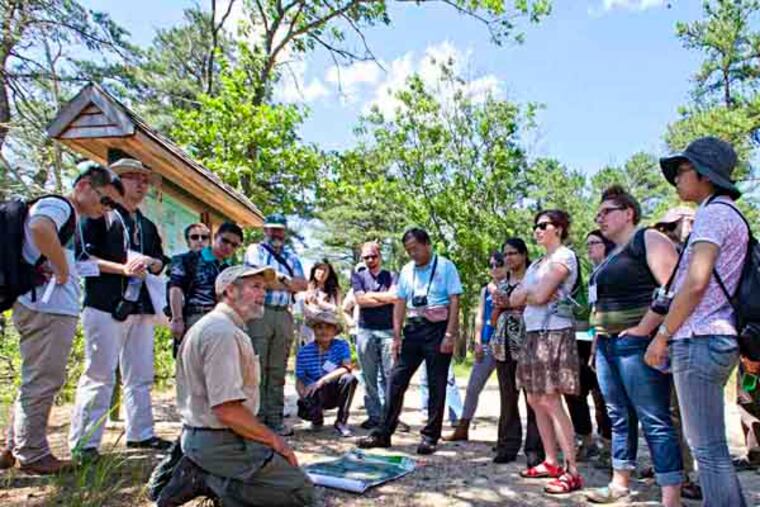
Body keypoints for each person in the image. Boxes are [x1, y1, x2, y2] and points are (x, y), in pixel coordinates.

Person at [0, 163, 123, 475]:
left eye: (111, 204)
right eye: (104, 199)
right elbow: (40, 227)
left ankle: (14, 446)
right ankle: (33, 453)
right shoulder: (59, 206)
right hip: (46, 308)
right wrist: (62, 268)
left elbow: (73, 261)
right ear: (83, 186)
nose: (105, 208)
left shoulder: (73, 221)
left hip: (49, 307)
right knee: (43, 380)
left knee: (36, 379)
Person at [163, 264, 314, 506]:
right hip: (218, 439)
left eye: (264, 288)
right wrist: (276, 441)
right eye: (255, 286)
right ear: (230, 291)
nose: (262, 294)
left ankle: (212, 477)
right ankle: (210, 479)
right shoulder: (222, 332)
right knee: (302, 495)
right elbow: (227, 410)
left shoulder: (218, 327)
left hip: (216, 436)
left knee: (287, 482)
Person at [652, 137, 748, 506]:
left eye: (682, 170)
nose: (677, 178)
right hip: (715, 337)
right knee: (711, 449)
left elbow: (695, 283)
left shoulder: (713, 214)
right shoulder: (729, 214)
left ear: (705, 175)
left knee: (707, 450)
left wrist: (663, 335)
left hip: (700, 338)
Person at [585, 186, 683, 506]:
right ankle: (620, 483)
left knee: (653, 417)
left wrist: (644, 330)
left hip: (636, 345)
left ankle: (671, 496)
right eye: (597, 213)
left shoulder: (648, 239)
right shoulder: (611, 254)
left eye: (606, 212)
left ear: (628, 213)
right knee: (618, 415)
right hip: (607, 345)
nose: (600, 218)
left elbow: (673, 288)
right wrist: (598, 338)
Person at [69, 158, 172, 460]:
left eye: (144, 179)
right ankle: (85, 442)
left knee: (140, 374)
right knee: (99, 374)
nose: (141, 184)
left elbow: (160, 261)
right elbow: (82, 261)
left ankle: (141, 434)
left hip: (141, 308)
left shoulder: (147, 225)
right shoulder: (97, 215)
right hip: (104, 304)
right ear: (115, 182)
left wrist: (152, 263)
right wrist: (123, 268)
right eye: (132, 177)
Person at [359, 228, 462, 455]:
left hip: (438, 327)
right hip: (414, 329)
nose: (412, 254)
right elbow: (400, 302)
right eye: (408, 250)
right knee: (396, 379)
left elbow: (455, 301)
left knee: (436, 383)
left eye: (415, 249)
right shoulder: (406, 270)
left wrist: (449, 335)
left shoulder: (445, 266)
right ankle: (383, 433)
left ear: (427, 245)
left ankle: (430, 436)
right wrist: (397, 336)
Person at [510, 209, 583, 494]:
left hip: (554, 333)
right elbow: (515, 299)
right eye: (535, 226)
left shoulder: (565, 256)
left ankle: (572, 470)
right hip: (532, 334)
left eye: (543, 225)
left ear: (560, 229)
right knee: (534, 399)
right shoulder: (537, 264)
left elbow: (535, 296)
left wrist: (531, 294)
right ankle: (551, 461)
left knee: (552, 400)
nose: (537, 230)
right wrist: (533, 294)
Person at [243, 213, 308, 436]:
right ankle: (257, 421)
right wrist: (284, 282)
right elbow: (257, 279)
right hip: (259, 314)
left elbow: (302, 285)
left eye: (279, 229)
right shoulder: (255, 250)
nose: (276, 233)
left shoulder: (292, 255)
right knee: (257, 369)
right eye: (272, 229)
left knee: (278, 370)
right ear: (265, 230)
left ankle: (275, 419)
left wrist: (277, 280)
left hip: (284, 315)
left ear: (285, 231)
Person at [489, 240, 545, 466]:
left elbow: (537, 306)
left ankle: (534, 448)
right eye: (506, 254)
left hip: (529, 343)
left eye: (513, 253)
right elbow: (493, 317)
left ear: (524, 254)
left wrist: (511, 305)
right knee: (507, 397)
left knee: (533, 398)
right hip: (503, 346)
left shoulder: (534, 279)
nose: (509, 258)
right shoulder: (502, 283)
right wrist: (502, 308)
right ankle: (507, 445)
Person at [563, 231, 613, 464]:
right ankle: (585, 440)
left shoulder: (614, 271)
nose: (590, 247)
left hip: (605, 341)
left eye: (595, 243)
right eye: (588, 244)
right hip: (579, 341)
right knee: (575, 391)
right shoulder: (588, 276)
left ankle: (609, 445)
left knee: (604, 395)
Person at [445, 252, 504, 442]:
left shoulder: (513, 286)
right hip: (487, 344)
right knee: (473, 387)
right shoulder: (485, 290)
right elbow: (480, 316)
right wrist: (477, 342)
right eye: (492, 265)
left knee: (508, 392)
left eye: (499, 264)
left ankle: (506, 436)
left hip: (506, 344)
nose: (495, 268)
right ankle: (463, 427)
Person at [168, 222, 242, 355]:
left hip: (222, 320)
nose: (228, 246)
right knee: (189, 368)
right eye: (225, 241)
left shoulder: (232, 269)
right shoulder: (187, 260)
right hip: (194, 318)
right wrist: (177, 319)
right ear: (215, 237)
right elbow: (175, 288)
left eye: (234, 245)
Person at [351, 242, 398, 430]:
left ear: (380, 256)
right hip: (365, 331)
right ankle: (374, 416)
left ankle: (390, 416)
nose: (370, 260)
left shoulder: (392, 275)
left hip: (388, 331)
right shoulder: (358, 276)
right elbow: (360, 300)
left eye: (373, 256)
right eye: (366, 257)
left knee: (390, 376)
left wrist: (371, 295)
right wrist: (383, 297)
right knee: (369, 376)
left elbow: (396, 297)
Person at [295, 310, 357, 437]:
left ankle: (341, 421)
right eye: (319, 327)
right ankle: (316, 419)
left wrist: (321, 381)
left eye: (329, 327)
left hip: (333, 388)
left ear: (335, 331)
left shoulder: (341, 345)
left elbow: (347, 367)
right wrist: (304, 397)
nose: (324, 331)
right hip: (315, 393)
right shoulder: (303, 351)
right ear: (313, 330)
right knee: (311, 390)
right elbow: (299, 379)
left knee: (350, 378)